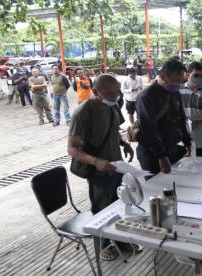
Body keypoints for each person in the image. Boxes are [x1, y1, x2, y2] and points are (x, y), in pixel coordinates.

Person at [68, 74, 134, 261]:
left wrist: (123, 143)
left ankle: (119, 240)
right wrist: (96, 161)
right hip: (98, 172)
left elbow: (113, 130)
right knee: (102, 210)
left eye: (117, 92)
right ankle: (104, 245)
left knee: (121, 206)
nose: (114, 96)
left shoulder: (112, 107)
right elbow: (72, 148)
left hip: (116, 166)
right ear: (95, 91)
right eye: (109, 93)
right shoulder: (83, 112)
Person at [135, 58, 191, 175]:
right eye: (176, 81)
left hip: (172, 147)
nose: (179, 85)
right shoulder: (146, 97)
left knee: (174, 184)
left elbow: (181, 118)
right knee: (156, 188)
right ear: (164, 77)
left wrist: (187, 142)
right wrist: (161, 156)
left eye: (181, 81)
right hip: (152, 153)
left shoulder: (175, 93)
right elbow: (149, 129)